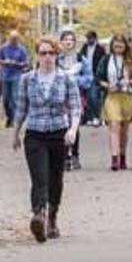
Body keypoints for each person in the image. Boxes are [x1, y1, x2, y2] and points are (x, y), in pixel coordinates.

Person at [12, 35, 81, 243]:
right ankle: (38, 215)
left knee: (55, 179)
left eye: (51, 53)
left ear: (56, 55)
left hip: (58, 133)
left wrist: (73, 129)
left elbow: (76, 107)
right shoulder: (27, 79)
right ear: (37, 55)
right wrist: (15, 133)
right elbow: (21, 108)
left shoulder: (66, 78)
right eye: (43, 53)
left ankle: (52, 216)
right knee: (39, 177)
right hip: (35, 134)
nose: (47, 57)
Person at [96, 34, 132, 171]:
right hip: (112, 96)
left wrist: (131, 82)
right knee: (114, 125)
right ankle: (114, 158)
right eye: (116, 46)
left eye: (121, 46)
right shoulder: (106, 60)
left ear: (125, 47)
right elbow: (98, 78)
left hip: (127, 96)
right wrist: (106, 85)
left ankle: (122, 156)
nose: (118, 48)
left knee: (124, 129)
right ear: (112, 46)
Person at [56, 30, 87, 171]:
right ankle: (64, 157)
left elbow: (89, 78)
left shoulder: (81, 59)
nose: (68, 42)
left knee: (74, 124)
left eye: (71, 40)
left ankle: (75, 154)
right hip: (60, 96)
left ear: (74, 43)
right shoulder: (56, 59)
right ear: (61, 42)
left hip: (76, 94)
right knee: (63, 125)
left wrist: (76, 80)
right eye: (65, 39)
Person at [0, 30, 29, 128]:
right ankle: (9, 117)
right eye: (12, 39)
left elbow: (26, 63)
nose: (13, 41)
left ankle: (15, 121)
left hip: (16, 76)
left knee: (15, 98)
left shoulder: (21, 50)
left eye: (15, 39)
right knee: (6, 99)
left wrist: (17, 64)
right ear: (9, 38)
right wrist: (5, 62)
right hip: (5, 76)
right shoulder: (3, 48)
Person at [80, 31, 106, 126]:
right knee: (87, 98)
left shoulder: (100, 49)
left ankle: (97, 116)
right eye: (87, 38)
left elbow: (103, 63)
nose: (88, 40)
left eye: (90, 38)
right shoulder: (84, 48)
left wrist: (101, 75)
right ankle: (90, 117)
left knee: (94, 96)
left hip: (96, 76)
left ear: (95, 38)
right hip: (86, 76)